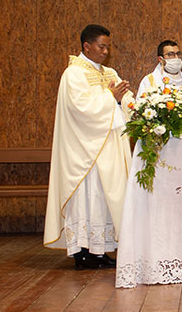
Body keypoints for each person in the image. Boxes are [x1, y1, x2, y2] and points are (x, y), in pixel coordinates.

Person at [43, 24, 134, 269]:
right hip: (85, 152)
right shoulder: (74, 74)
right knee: (88, 198)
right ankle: (83, 252)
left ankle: (101, 249)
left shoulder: (110, 72)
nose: (105, 51)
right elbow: (80, 108)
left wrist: (134, 104)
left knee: (104, 199)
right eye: (101, 46)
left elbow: (125, 101)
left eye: (107, 47)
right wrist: (111, 98)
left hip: (108, 150)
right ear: (87, 46)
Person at [137, 40, 182, 135]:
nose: (176, 58)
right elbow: (141, 107)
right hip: (159, 137)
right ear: (160, 59)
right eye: (171, 54)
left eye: (178, 54)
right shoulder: (150, 81)